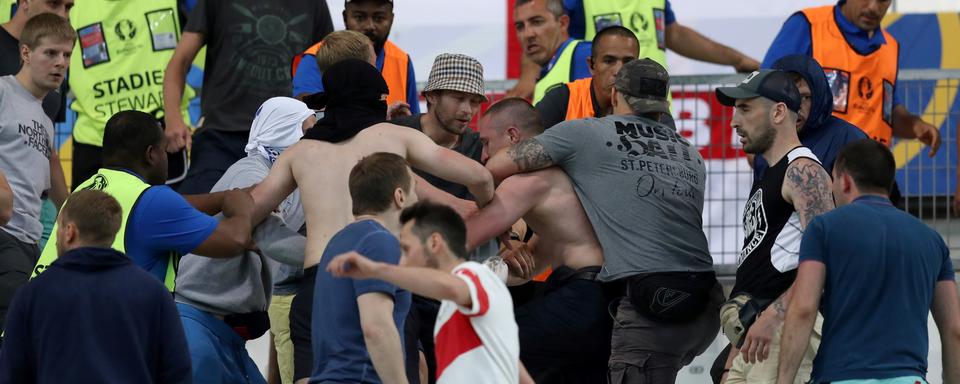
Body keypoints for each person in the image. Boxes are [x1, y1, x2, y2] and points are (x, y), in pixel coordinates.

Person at [248, 59, 494, 384]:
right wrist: (487, 208)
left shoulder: (300, 152)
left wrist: (299, 248)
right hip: (379, 274)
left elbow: (250, 211)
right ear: (376, 99)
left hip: (318, 284)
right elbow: (479, 176)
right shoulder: (394, 136)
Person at [486, 58, 723, 383]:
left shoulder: (587, 132)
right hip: (704, 305)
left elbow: (495, 167)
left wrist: (504, 231)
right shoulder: (690, 153)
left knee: (494, 346)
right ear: (664, 104)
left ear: (614, 95)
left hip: (648, 302)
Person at [778, 139, 960, 384]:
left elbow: (803, 309)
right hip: (909, 378)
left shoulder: (824, 228)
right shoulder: (932, 240)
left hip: (842, 375)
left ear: (844, 181)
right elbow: (954, 330)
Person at [32, 110, 256, 292]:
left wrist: (224, 197)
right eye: (164, 150)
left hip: (43, 328)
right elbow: (235, 240)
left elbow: (171, 207)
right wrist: (243, 209)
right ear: (151, 154)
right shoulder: (154, 202)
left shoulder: (87, 188)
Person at [174, 97, 314, 384]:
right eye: (307, 132)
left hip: (225, 332)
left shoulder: (288, 180)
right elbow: (270, 236)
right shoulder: (250, 172)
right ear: (285, 132)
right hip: (199, 322)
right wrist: (335, 255)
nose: (315, 142)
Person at [468, 97, 609, 382]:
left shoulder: (528, 181)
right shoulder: (565, 179)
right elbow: (528, 266)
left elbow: (466, 236)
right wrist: (498, 266)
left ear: (511, 136)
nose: (483, 155)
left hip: (581, 296)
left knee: (481, 347)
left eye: (485, 143)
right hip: (601, 301)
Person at [713, 69, 835, 383]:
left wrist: (774, 316)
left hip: (781, 333)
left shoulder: (803, 171)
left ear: (779, 111)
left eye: (745, 108)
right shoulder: (773, 173)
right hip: (756, 335)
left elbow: (826, 262)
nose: (734, 121)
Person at [328, 201, 536, 384]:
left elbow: (450, 286)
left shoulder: (475, 275)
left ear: (435, 243)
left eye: (407, 249)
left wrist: (376, 269)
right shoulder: (457, 304)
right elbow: (510, 362)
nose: (402, 259)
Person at [0, 190, 192, 383]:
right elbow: (177, 373)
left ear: (69, 232)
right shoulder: (153, 292)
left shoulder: (33, 294)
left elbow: (13, 374)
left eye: (59, 227)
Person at [163, 0, 333, 194]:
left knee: (286, 220)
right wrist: (173, 118)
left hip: (288, 138)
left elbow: (330, 66)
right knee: (196, 216)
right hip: (220, 137)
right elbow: (180, 60)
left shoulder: (313, 4)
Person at [389, 52, 488, 384]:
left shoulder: (480, 147)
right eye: (459, 97)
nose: (467, 110)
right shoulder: (393, 134)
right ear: (430, 96)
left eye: (474, 101)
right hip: (398, 282)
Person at [762, 0, 940, 155]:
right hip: (815, 171)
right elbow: (766, 88)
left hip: (870, 175)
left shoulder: (890, 47)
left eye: (883, 0)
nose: (873, 7)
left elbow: (889, 113)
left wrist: (915, 125)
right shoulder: (808, 25)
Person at [509, 0, 760, 102]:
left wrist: (735, 58)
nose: (527, 31)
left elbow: (672, 33)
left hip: (657, 105)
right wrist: (527, 77)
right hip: (609, 106)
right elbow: (544, 20)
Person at [310, 152, 416, 384]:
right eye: (414, 190)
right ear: (400, 196)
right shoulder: (380, 241)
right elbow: (376, 327)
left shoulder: (337, 242)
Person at [66, 0, 196, 185]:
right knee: (92, 212)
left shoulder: (181, 3)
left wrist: (174, 117)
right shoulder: (69, 5)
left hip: (161, 137)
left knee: (165, 211)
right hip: (95, 141)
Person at [0, 12, 71, 335]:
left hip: (31, 242)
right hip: (5, 233)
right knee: (18, 331)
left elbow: (55, 179)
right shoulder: (3, 92)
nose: (60, 63)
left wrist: (74, 217)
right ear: (26, 53)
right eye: (51, 53)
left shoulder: (44, 118)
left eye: (67, 55)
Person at [292, 0, 418, 115]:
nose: (369, 26)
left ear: (391, 19)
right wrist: (379, 117)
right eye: (359, 17)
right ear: (345, 17)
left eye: (379, 18)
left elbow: (415, 119)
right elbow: (307, 117)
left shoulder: (402, 60)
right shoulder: (316, 57)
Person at [535, 25, 638, 129]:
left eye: (628, 62)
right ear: (592, 65)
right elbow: (527, 143)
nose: (618, 71)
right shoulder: (563, 100)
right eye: (609, 61)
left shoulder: (647, 104)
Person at [0, 0, 71, 122]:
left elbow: (45, 135)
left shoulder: (60, 58)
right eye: (54, 4)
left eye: (68, 7)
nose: (62, 16)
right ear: (25, 2)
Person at [513, 0, 592, 103]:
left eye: (537, 22)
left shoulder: (583, 55)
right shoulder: (546, 71)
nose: (527, 34)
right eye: (520, 27)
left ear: (563, 23)